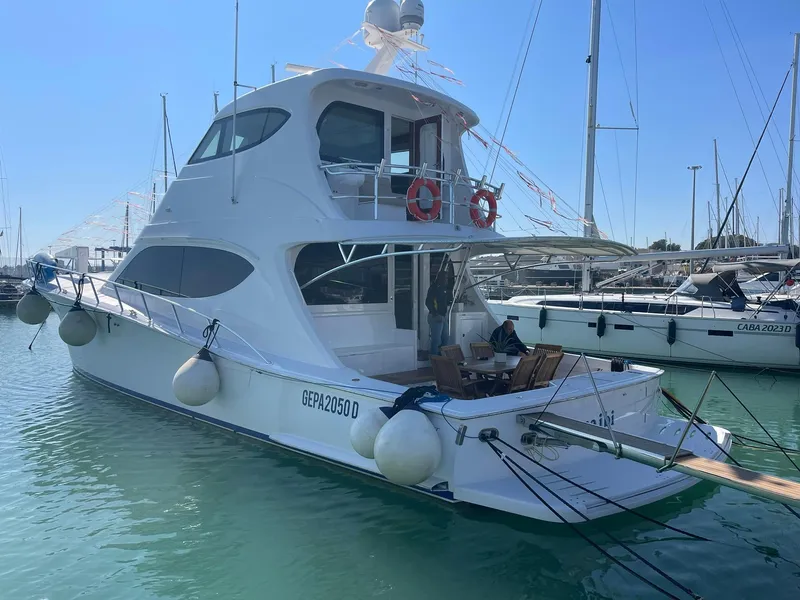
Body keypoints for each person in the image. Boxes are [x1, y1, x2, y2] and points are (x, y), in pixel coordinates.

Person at [426, 269, 452, 356]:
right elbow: (428, 302)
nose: (446, 280)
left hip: (443, 317)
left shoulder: (444, 289)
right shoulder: (434, 288)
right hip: (435, 316)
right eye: (445, 278)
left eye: (447, 278)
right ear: (440, 278)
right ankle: (434, 360)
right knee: (436, 340)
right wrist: (435, 314)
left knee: (445, 339)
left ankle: (442, 358)